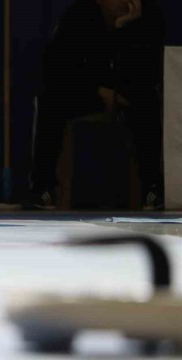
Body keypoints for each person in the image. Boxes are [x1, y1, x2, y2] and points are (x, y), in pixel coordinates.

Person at [26, 0, 166, 210]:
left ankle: (152, 188)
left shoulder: (149, 17)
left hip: (131, 94)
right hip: (88, 93)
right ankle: (43, 188)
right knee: (52, 100)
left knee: (149, 106)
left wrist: (124, 28)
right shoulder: (78, 15)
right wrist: (98, 91)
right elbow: (58, 66)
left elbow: (147, 70)